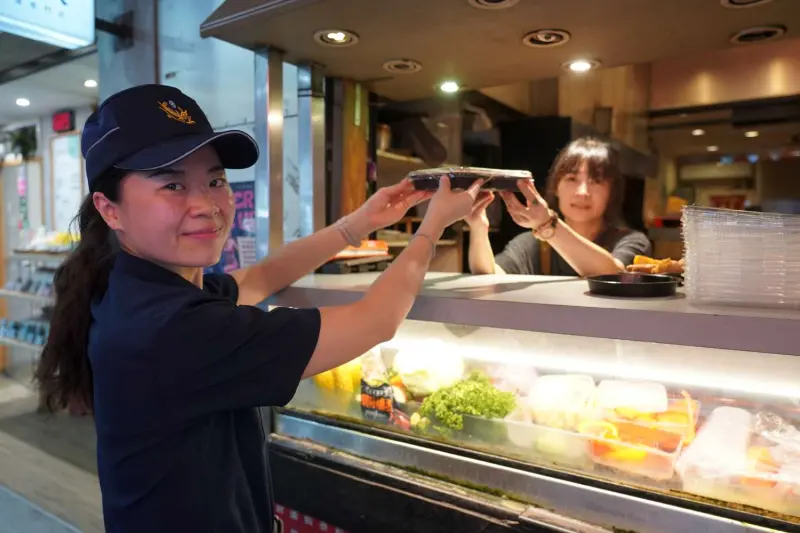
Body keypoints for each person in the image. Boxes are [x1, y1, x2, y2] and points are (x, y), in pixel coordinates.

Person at [33, 84, 481, 533]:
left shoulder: (136, 286)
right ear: (110, 210)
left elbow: (261, 278)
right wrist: (433, 226)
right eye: (172, 184)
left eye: (215, 181)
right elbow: (375, 321)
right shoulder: (172, 329)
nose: (206, 205)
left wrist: (360, 223)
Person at [465, 137, 652, 277]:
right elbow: (490, 278)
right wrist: (478, 227)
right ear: (556, 187)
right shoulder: (531, 244)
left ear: (612, 192)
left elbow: (614, 275)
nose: (583, 192)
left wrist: (547, 225)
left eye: (596, 181)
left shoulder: (632, 241)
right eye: (572, 179)